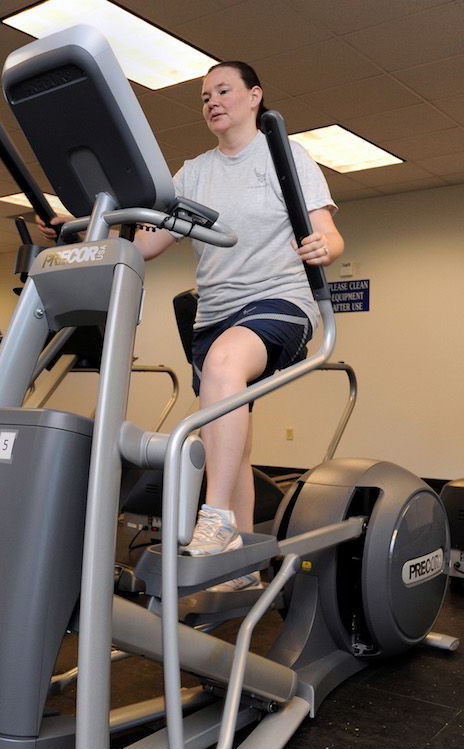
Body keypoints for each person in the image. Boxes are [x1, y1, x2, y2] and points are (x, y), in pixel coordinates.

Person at [38, 61, 343, 587]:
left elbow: (329, 235)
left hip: (280, 302)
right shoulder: (193, 172)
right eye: (204, 97)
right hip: (214, 313)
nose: (212, 102)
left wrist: (324, 248)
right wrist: (82, 231)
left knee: (226, 364)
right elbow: (150, 242)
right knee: (234, 445)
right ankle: (245, 565)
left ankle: (216, 515)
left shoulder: (285, 156)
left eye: (223, 91)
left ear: (255, 96)